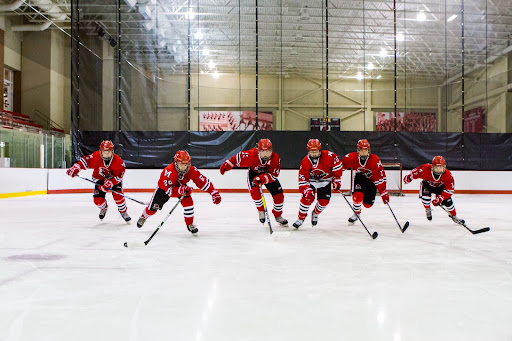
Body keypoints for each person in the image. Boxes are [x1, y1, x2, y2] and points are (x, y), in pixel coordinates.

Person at [136, 150, 221, 234]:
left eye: (186, 164)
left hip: (181, 186)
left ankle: (189, 224)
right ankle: (144, 217)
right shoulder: (168, 172)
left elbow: (202, 181)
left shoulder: (191, 170)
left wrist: (213, 191)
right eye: (181, 165)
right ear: (176, 163)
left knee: (188, 203)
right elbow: (169, 191)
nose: (184, 167)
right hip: (164, 189)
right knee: (153, 208)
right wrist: (180, 190)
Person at [220, 138, 288, 226]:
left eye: (268, 151)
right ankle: (261, 210)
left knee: (279, 195)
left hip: (268, 175)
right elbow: (238, 157)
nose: (266, 154)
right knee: (255, 193)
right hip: (254, 174)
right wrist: (227, 165)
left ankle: (278, 215)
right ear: (259, 150)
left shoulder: (275, 158)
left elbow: (274, 175)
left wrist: (263, 178)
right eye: (264, 151)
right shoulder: (251, 155)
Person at [66, 140, 131, 222]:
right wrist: (76, 167)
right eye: (104, 152)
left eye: (109, 152)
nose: (106, 154)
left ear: (112, 151)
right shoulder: (96, 156)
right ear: (100, 151)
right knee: (98, 201)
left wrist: (111, 183)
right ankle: (104, 208)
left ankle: (123, 212)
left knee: (118, 196)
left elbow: (119, 175)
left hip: (113, 179)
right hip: (100, 178)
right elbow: (85, 161)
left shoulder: (118, 161)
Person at [293, 139, 343, 228]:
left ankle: (315, 213)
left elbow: (337, 167)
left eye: (316, 151)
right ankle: (300, 218)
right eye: (312, 152)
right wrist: (307, 190)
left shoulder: (330, 156)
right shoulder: (305, 161)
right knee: (307, 198)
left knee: (324, 202)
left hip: (325, 180)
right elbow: (303, 179)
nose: (314, 154)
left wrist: (336, 180)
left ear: (320, 150)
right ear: (308, 151)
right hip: (311, 181)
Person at [403, 156, 464, 224]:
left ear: (444, 167)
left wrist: (440, 198)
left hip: (440, 188)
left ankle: (454, 216)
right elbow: (414, 172)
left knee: (448, 202)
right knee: (426, 199)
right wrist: (409, 178)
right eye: (436, 167)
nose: (438, 170)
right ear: (432, 167)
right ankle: (428, 209)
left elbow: (449, 190)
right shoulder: (425, 169)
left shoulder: (448, 175)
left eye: (440, 167)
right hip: (427, 185)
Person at [341, 139, 390, 223]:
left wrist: (383, 191)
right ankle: (356, 213)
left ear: (369, 150)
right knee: (357, 196)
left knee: (368, 205)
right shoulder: (351, 158)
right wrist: (334, 177)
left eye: (365, 150)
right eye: (361, 150)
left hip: (372, 181)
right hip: (360, 178)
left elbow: (380, 177)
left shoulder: (375, 160)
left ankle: (363, 203)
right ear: (358, 150)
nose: (363, 152)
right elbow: (340, 168)